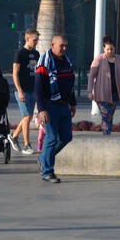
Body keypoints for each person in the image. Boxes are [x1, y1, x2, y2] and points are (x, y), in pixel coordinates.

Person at [34, 35, 76, 183]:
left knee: (66, 138)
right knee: (51, 138)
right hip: (49, 105)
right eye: (61, 46)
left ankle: (44, 158)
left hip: (64, 105)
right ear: (52, 45)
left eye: (65, 45)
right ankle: (47, 172)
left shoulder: (67, 61)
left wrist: (73, 103)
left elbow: (70, 84)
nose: (64, 48)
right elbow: (38, 89)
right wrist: (42, 110)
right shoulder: (44, 63)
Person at [88, 36, 120, 133]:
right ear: (104, 48)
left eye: (111, 49)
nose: (109, 51)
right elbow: (91, 76)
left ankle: (107, 135)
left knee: (109, 116)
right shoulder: (99, 59)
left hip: (115, 94)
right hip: (101, 94)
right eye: (107, 49)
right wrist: (89, 91)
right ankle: (106, 137)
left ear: (115, 49)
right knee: (106, 116)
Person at [10, 29, 39, 155]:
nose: (36, 42)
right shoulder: (20, 53)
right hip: (23, 90)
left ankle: (14, 136)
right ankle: (27, 145)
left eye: (37, 40)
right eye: (34, 40)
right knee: (26, 116)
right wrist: (20, 91)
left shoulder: (36, 54)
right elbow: (15, 74)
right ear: (27, 39)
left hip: (33, 89)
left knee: (29, 116)